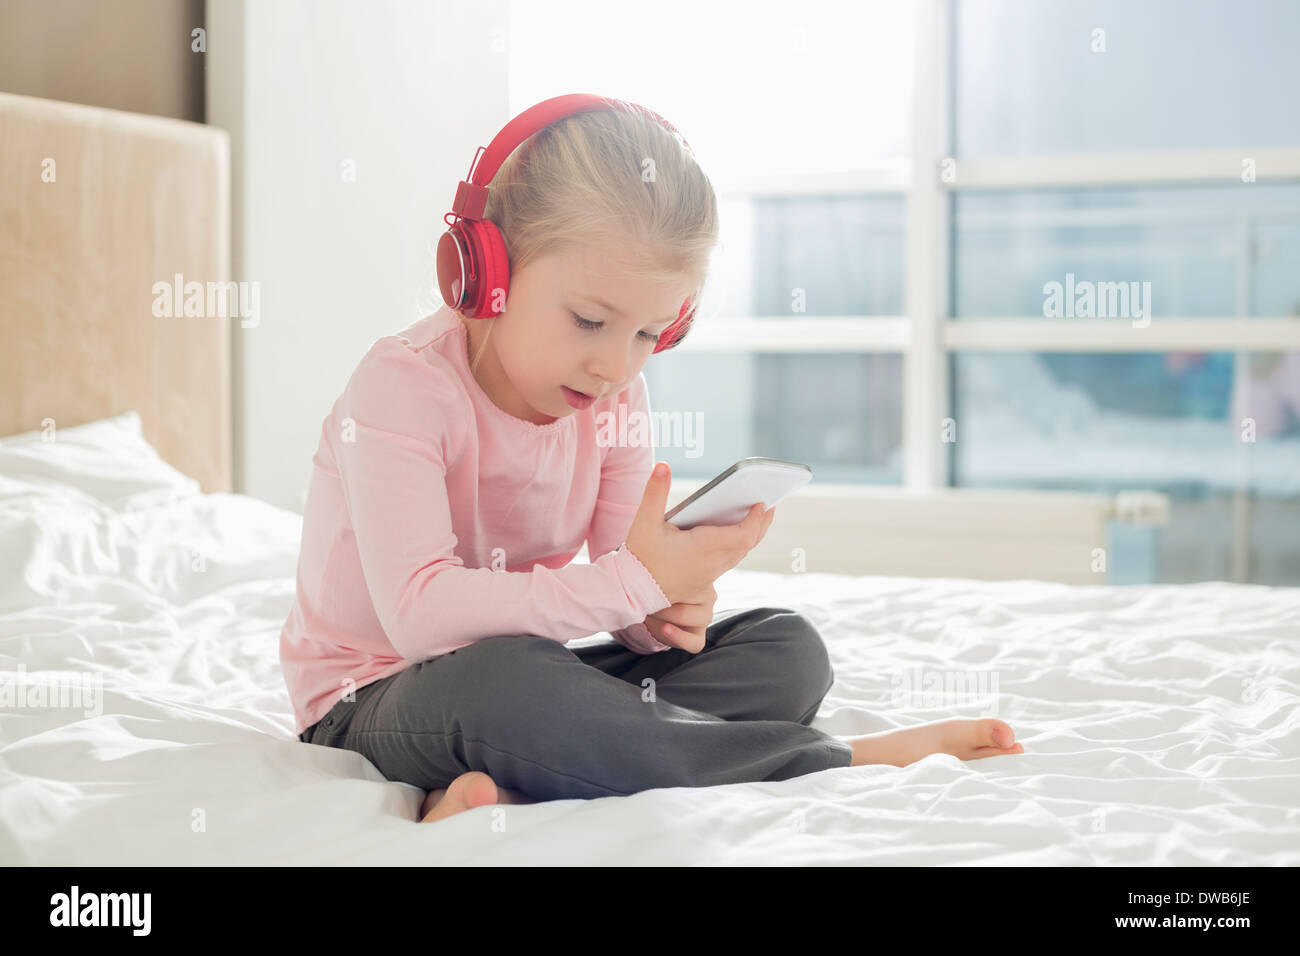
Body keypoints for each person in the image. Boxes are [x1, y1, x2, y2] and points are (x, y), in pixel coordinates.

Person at [280, 100, 1023, 824]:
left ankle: (530, 780)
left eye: (649, 334)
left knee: (785, 650)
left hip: (532, 680)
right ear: (486, 271)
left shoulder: (614, 396)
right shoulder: (401, 387)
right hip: (374, 698)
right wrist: (634, 582)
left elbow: (618, 581)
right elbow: (421, 618)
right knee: (507, 681)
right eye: (590, 321)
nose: (614, 364)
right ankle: (835, 759)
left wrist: (662, 609)